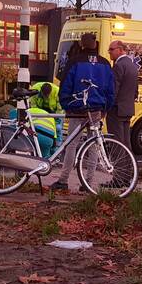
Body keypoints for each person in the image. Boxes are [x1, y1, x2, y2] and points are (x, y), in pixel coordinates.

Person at [52, 33, 115, 192]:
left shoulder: (74, 62)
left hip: (77, 109)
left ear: (81, 45)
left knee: (71, 145)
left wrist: (66, 104)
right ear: (96, 45)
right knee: (94, 146)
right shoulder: (105, 63)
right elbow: (110, 89)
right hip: (96, 111)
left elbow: (65, 85)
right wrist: (105, 109)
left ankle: (63, 180)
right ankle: (87, 183)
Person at [106, 40, 139, 150]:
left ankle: (119, 166)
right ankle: (129, 166)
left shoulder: (119, 66)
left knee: (117, 142)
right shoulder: (133, 66)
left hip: (117, 110)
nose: (109, 52)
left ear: (120, 50)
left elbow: (113, 90)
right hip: (127, 109)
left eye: (111, 49)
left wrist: (107, 106)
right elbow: (135, 91)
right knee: (126, 141)